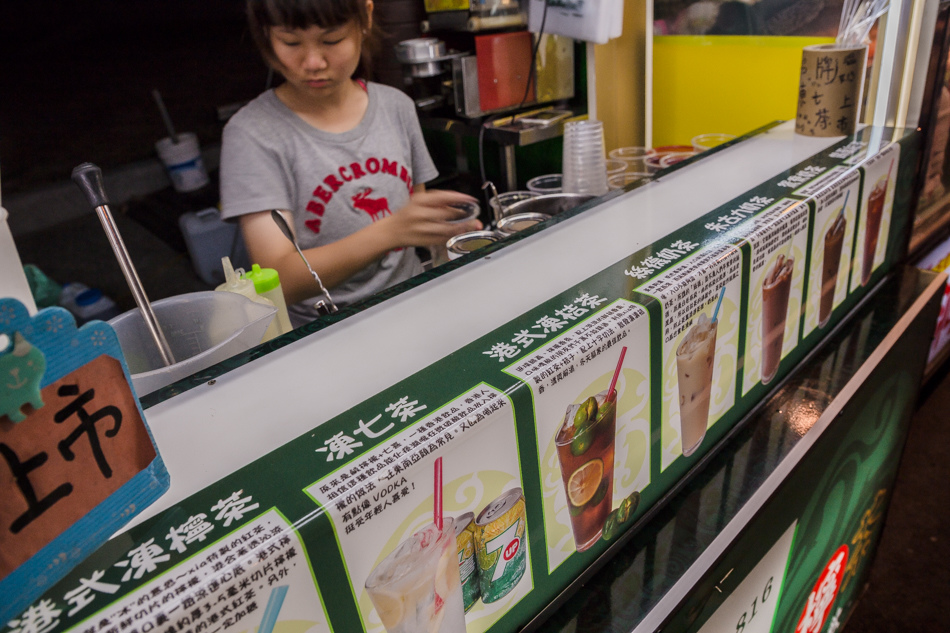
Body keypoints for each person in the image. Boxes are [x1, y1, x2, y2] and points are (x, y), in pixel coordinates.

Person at [220, 0, 481, 325]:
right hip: (327, 330)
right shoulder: (252, 134)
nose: (313, 62)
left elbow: (418, 220)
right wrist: (389, 232)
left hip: (415, 306)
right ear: (266, 34)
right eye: (290, 42)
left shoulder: (396, 106)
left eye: (332, 40)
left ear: (365, 18)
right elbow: (279, 280)